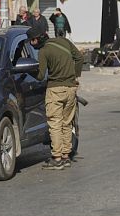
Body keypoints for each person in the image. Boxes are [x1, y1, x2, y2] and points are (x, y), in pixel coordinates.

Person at [30, 26, 82, 171]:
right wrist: (76, 76)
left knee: (55, 124)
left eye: (31, 41)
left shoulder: (44, 51)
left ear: (37, 39)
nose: (31, 44)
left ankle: (57, 158)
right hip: (71, 88)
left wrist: (30, 72)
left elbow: (40, 76)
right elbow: (80, 58)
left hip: (55, 90)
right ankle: (66, 156)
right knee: (66, 123)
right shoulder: (64, 42)